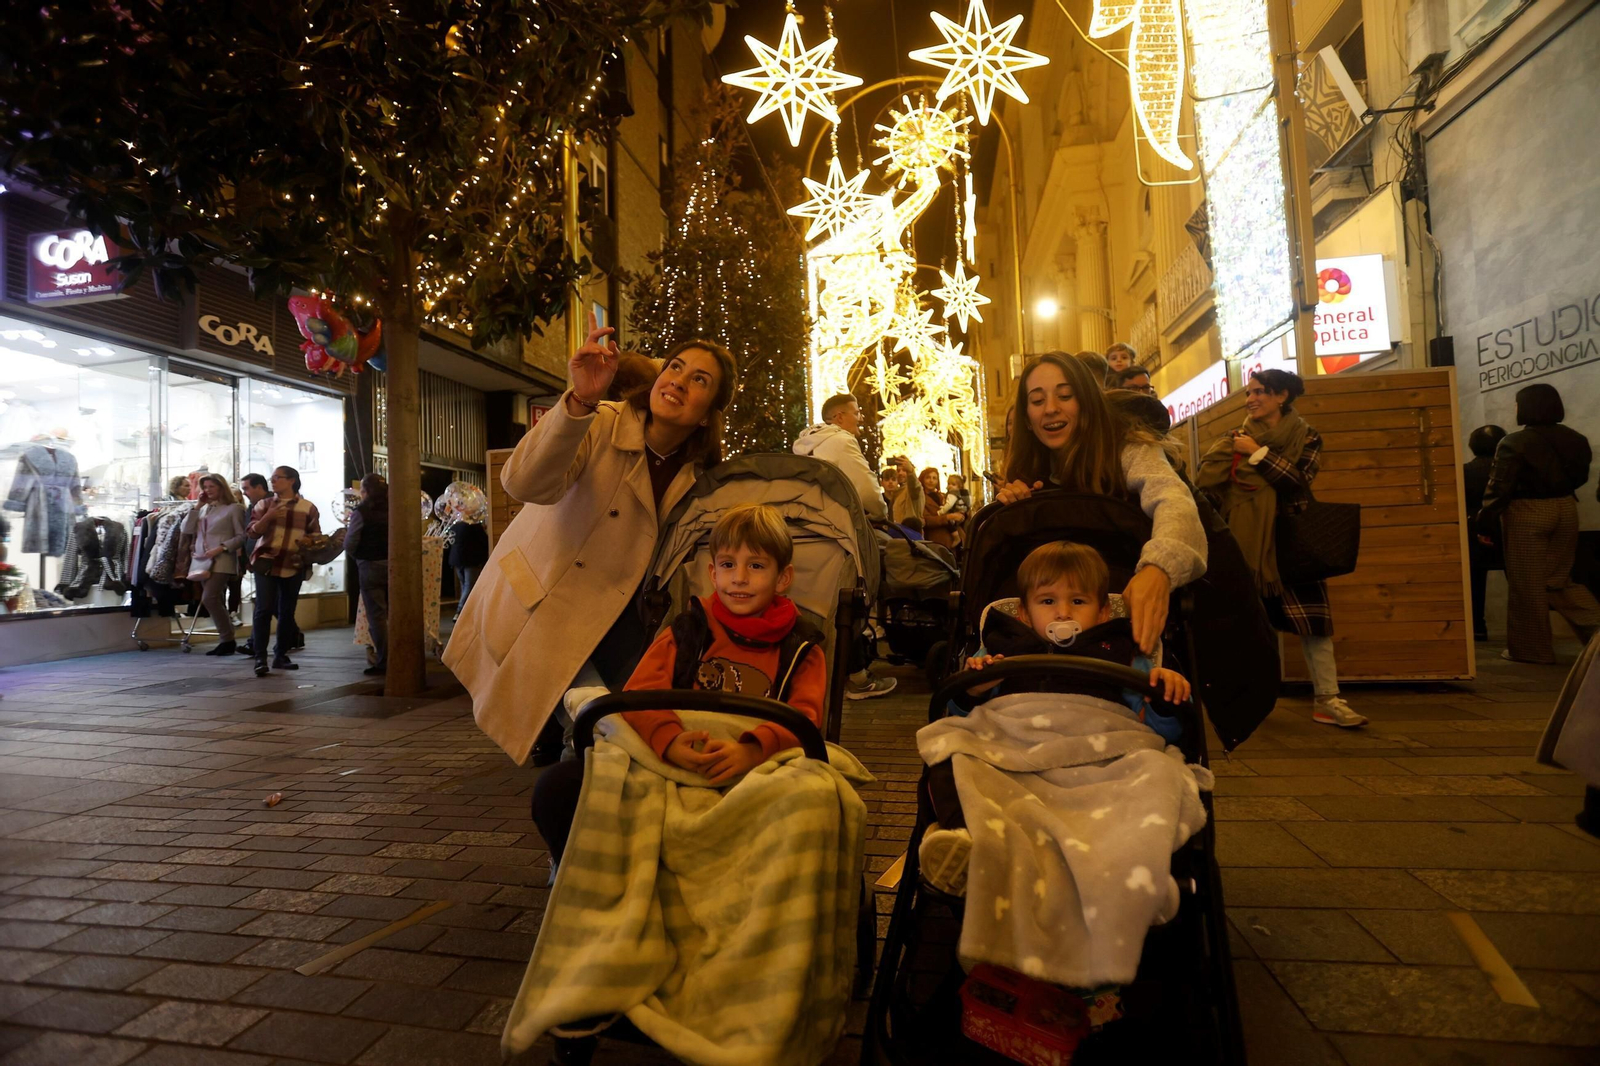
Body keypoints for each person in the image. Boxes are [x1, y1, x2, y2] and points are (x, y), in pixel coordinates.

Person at [445, 317, 739, 768]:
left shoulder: (700, 476)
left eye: (699, 380)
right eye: (675, 367)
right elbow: (523, 483)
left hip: (620, 620)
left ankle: (579, 791)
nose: (679, 381)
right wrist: (580, 400)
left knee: (620, 730)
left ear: (708, 414)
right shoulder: (598, 421)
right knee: (600, 728)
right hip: (544, 605)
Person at [529, 503, 828, 864]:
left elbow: (805, 717)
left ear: (782, 578)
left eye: (756, 566)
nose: (739, 578)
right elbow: (640, 694)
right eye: (728, 565)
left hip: (758, 770)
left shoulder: (801, 649)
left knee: (820, 800)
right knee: (557, 787)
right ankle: (576, 871)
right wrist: (668, 740)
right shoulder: (687, 632)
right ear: (712, 573)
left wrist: (752, 750)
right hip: (673, 761)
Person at [998, 352, 1207, 655]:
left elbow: (1173, 500)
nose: (1051, 408)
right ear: (1027, 419)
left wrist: (1158, 568)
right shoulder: (1028, 471)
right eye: (1038, 400)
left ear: (1087, 403)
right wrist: (1014, 504)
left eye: (1065, 396)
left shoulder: (1128, 449)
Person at [1196, 369, 1366, 728]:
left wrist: (1257, 453)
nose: (1250, 399)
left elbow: (1298, 482)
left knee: (1315, 626)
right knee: (1250, 626)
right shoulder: (1233, 438)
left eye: (1259, 392)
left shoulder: (1306, 436)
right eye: (1249, 393)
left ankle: (1328, 699)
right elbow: (1208, 486)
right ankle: (1249, 700)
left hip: (1293, 543)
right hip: (1245, 546)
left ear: (1282, 396)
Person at [961, 541, 1190, 739]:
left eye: (1078, 601)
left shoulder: (1123, 653)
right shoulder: (1000, 650)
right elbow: (964, 717)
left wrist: (1165, 696)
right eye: (1048, 601)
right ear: (1025, 614)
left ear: (1102, 612)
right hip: (1014, 743)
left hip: (1100, 749)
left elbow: (1162, 733)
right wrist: (972, 690)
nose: (1063, 613)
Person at [1477, 384, 1600, 664]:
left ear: (1526, 407)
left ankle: (1531, 651)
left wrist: (1485, 522)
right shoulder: (1576, 438)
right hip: (1566, 507)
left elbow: (1499, 487)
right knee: (1559, 581)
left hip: (1527, 511)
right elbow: (1580, 477)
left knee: (1527, 585)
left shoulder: (1513, 442)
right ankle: (1597, 637)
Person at [245, 465, 321, 677]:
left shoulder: (308, 508)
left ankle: (281, 655)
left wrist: (309, 542)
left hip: (293, 562)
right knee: (263, 609)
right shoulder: (264, 504)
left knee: (287, 611)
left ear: (291, 481)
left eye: (278, 477)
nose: (273, 481)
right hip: (266, 562)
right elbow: (252, 532)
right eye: (272, 478)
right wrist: (268, 517)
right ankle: (260, 657)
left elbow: (316, 536)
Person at [793, 393, 889, 522]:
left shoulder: (808, 444)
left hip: (807, 521)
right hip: (835, 525)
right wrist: (880, 513)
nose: (861, 418)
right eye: (856, 413)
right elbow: (866, 488)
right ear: (839, 417)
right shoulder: (842, 441)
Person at [183, 474, 247, 657]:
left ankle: (227, 639)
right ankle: (227, 640)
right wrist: (197, 506)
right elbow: (186, 529)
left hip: (222, 559)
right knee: (215, 599)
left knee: (209, 598)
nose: (208, 490)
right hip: (202, 560)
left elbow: (241, 536)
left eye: (212, 486)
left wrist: (222, 547)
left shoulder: (234, 508)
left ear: (221, 487)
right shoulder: (204, 509)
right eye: (205, 487)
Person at [1464, 425, 1507, 642]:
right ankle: (1524, 629)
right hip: (1508, 528)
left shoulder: (1465, 471)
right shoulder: (1511, 470)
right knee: (1521, 582)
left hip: (1474, 531)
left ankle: (1477, 627)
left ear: (1472, 445)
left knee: (1474, 580)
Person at [345, 473, 389, 677]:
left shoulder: (361, 511)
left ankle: (384, 660)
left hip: (370, 565)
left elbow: (350, 542)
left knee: (377, 616)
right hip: (395, 566)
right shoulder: (395, 508)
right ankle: (404, 655)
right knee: (398, 613)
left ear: (365, 491)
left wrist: (359, 557)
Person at [449, 511, 489, 619]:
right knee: (469, 586)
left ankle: (465, 613)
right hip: (471, 560)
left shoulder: (455, 526)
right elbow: (485, 541)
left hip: (457, 560)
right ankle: (460, 611)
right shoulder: (475, 526)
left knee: (464, 585)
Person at [920, 467, 960, 550]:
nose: (931, 481)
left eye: (934, 478)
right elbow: (926, 520)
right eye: (928, 477)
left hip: (956, 535)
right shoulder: (921, 498)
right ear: (923, 479)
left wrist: (961, 515)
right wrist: (947, 517)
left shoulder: (943, 495)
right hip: (937, 538)